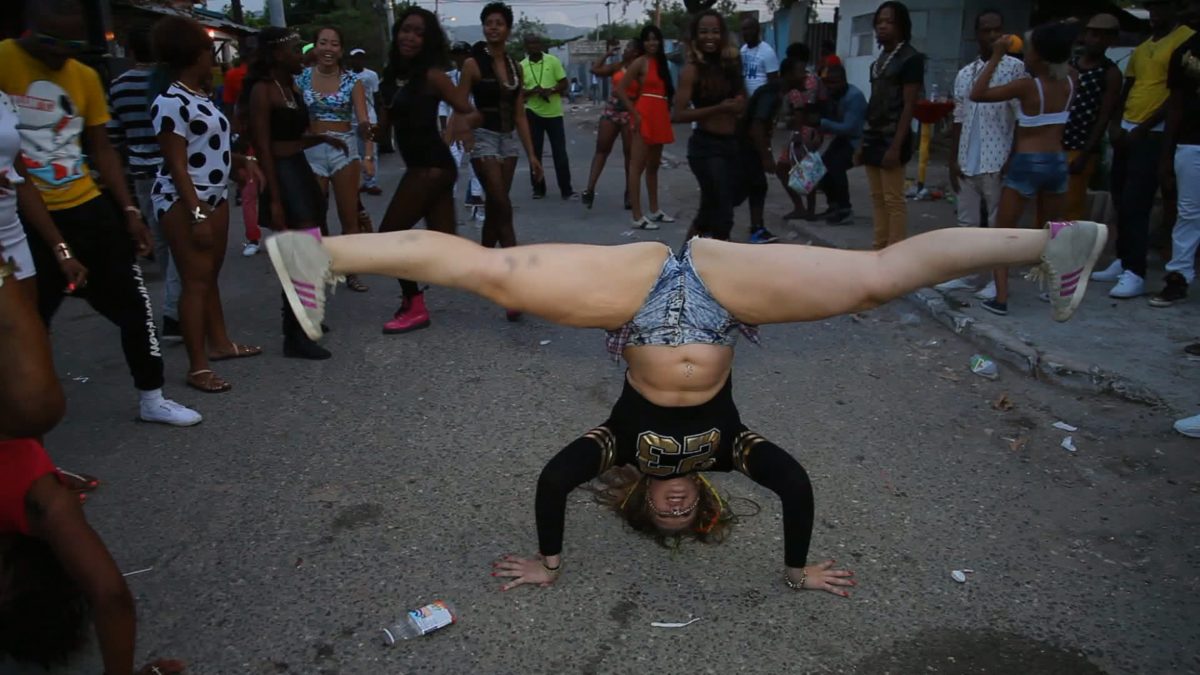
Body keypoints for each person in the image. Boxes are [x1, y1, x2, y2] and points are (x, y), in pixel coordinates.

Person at [265, 221, 1109, 593]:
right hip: (723, 290)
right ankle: (1050, 244)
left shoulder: (617, 444)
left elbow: (557, 478)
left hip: (628, 297)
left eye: (658, 509)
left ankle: (321, 253)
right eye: (685, 511)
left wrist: (549, 562)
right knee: (879, 276)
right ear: (701, 497)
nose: (672, 501)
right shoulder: (733, 449)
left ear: (637, 492)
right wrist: (795, 569)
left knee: (490, 273)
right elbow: (798, 485)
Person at [1, 0, 201, 426]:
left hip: (87, 204)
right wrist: (58, 247)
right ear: (32, 20)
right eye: (54, 41)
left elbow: (102, 147)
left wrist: (128, 208)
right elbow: (15, 169)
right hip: (24, 216)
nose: (62, 53)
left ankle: (152, 396)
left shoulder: (84, 75)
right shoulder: (3, 60)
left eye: (72, 45)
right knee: (30, 325)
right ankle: (27, 428)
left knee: (135, 305)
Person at [150, 17, 265, 392]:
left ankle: (220, 344)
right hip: (186, 201)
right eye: (209, 53)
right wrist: (196, 211)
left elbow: (208, 150)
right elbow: (176, 164)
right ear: (197, 55)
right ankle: (197, 366)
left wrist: (239, 164)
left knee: (207, 278)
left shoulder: (200, 96)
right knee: (195, 283)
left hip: (213, 198)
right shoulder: (169, 102)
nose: (213, 61)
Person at [375, 7, 479, 335]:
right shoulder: (390, 77)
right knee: (450, 250)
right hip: (421, 165)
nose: (410, 37)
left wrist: (460, 127)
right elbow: (385, 130)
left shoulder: (434, 76)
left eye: (419, 32)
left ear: (428, 39)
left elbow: (470, 111)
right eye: (406, 30)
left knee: (389, 235)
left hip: (433, 167)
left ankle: (414, 303)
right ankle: (511, 289)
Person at [244, 26, 345, 360]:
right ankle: (295, 334)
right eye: (292, 49)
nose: (301, 54)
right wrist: (273, 196)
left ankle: (305, 315)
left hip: (298, 168)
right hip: (282, 175)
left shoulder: (287, 86)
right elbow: (263, 146)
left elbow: (291, 137)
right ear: (276, 55)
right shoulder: (263, 91)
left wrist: (323, 138)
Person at [970, 23, 1079, 316]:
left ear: (1040, 57)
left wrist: (996, 56)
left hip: (1028, 162)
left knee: (1003, 234)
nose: (1025, 54)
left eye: (1029, 50)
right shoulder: (1071, 80)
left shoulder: (1028, 86)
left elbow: (977, 93)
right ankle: (1059, 293)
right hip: (1057, 162)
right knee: (1055, 231)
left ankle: (1001, 298)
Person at [1092, 0, 1194, 298]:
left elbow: (1176, 97)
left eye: (1161, 9)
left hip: (1153, 133)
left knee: (1138, 202)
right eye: (1153, 9)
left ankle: (1135, 272)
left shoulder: (1184, 40)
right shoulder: (1144, 45)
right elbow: (1130, 85)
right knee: (1121, 197)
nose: (1155, 14)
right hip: (1127, 128)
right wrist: (1116, 123)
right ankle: (1123, 259)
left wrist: (1143, 128)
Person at [458, 1, 544, 322]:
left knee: (496, 207)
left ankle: (480, 264)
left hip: (508, 141)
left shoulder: (514, 67)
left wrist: (533, 154)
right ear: (483, 27)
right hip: (483, 138)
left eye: (499, 23)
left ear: (508, 29)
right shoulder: (472, 63)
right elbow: (459, 102)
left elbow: (521, 113)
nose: (493, 27)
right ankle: (513, 285)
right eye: (488, 23)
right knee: (501, 203)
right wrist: (464, 132)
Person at [937, 8, 1025, 296]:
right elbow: (959, 117)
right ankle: (968, 275)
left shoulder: (1013, 68)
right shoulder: (965, 74)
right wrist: (953, 160)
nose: (992, 36)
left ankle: (995, 282)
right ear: (976, 35)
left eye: (997, 30)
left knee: (998, 224)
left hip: (997, 157)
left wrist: (1013, 157)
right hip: (967, 159)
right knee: (968, 223)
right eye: (986, 31)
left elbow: (1021, 117)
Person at [108, 27, 182, 340]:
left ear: (131, 51)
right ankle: (174, 312)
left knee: (164, 244)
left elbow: (113, 136)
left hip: (142, 174)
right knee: (183, 244)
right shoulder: (170, 83)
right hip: (174, 171)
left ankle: (175, 308)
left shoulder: (118, 86)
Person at [297, 26, 373, 293]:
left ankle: (351, 271)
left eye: (334, 44)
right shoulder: (301, 79)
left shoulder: (353, 81)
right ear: (315, 47)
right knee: (315, 214)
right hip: (312, 150)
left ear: (341, 50)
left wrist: (367, 147)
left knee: (348, 213)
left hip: (344, 149)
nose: (328, 49)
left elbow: (364, 120)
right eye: (323, 43)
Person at [673, 11, 746, 243]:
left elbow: (742, 98)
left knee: (709, 211)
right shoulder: (691, 70)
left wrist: (740, 105)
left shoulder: (731, 65)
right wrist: (719, 108)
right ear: (695, 36)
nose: (710, 37)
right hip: (705, 148)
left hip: (732, 145)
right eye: (704, 31)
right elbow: (678, 114)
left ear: (723, 34)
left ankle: (681, 263)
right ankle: (720, 269)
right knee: (723, 214)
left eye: (715, 31)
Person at [861, 1, 924, 250]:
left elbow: (909, 106)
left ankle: (895, 253)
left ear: (901, 25)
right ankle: (879, 248)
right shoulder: (879, 61)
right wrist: (861, 141)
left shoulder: (911, 59)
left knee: (894, 199)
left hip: (893, 138)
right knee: (877, 198)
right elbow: (874, 101)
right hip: (873, 135)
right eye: (879, 22)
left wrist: (896, 147)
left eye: (889, 22)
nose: (883, 27)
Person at [1152, 0, 1200, 307]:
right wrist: (1167, 154)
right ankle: (1178, 277)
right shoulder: (1187, 50)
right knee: (1188, 213)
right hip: (1192, 143)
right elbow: (1176, 103)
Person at [615, 24, 676, 230]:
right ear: (643, 42)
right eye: (648, 39)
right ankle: (637, 215)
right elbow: (621, 89)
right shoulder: (640, 62)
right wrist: (634, 113)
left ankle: (654, 209)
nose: (652, 43)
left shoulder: (661, 63)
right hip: (644, 114)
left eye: (655, 39)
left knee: (654, 166)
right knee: (636, 166)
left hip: (659, 113)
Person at [741, 57, 807, 244]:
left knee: (756, 187)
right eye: (801, 71)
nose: (805, 75)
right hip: (745, 146)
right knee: (746, 189)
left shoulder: (778, 92)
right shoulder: (772, 93)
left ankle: (756, 228)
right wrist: (767, 156)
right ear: (788, 74)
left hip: (747, 145)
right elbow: (757, 126)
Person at [1063, 14, 1121, 222]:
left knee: (1072, 206)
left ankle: (1067, 252)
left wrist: (1085, 154)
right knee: (1049, 202)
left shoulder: (1110, 72)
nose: (1097, 40)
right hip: (1056, 143)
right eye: (1094, 34)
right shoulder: (1070, 65)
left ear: (1112, 41)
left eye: (1104, 36)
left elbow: (1104, 116)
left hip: (1080, 147)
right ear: (1085, 35)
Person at [581, 39, 642, 210]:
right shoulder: (618, 66)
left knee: (629, 155)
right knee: (602, 149)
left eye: (629, 47)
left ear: (636, 52)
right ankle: (590, 189)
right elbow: (595, 69)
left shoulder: (641, 69)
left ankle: (629, 193)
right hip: (613, 109)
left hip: (630, 111)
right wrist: (607, 54)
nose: (624, 50)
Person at [521, 34, 574, 200]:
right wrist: (533, 91)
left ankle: (566, 189)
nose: (534, 46)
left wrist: (551, 90)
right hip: (533, 112)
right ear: (526, 47)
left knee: (560, 152)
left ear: (541, 45)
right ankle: (538, 188)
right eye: (530, 44)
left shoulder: (552, 60)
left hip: (554, 113)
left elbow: (564, 83)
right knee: (535, 152)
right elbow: (520, 93)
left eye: (536, 43)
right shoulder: (521, 66)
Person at [816, 63, 866, 225]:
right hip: (842, 138)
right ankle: (834, 205)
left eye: (833, 82)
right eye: (827, 83)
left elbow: (850, 128)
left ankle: (845, 209)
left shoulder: (854, 96)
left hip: (858, 140)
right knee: (822, 167)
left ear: (843, 80)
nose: (830, 87)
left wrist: (822, 123)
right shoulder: (833, 95)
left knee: (836, 167)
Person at [441, 41, 484, 220]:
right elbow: (442, 105)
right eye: (455, 54)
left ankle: (475, 194)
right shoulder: (448, 77)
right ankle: (448, 195)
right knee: (452, 159)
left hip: (474, 121)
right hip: (454, 122)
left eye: (461, 54)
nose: (458, 58)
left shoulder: (476, 74)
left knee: (476, 158)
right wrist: (444, 128)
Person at [347, 47, 382, 196]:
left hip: (369, 117)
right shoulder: (346, 76)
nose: (358, 61)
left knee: (370, 151)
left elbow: (377, 96)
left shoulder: (371, 75)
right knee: (356, 153)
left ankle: (371, 182)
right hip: (352, 119)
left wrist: (379, 118)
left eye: (361, 58)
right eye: (356, 58)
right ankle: (362, 181)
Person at [739, 15, 779, 98]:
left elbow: (773, 81)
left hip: (762, 99)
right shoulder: (742, 50)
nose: (746, 32)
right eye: (743, 29)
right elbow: (742, 76)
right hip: (746, 100)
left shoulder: (767, 51)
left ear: (757, 30)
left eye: (749, 29)